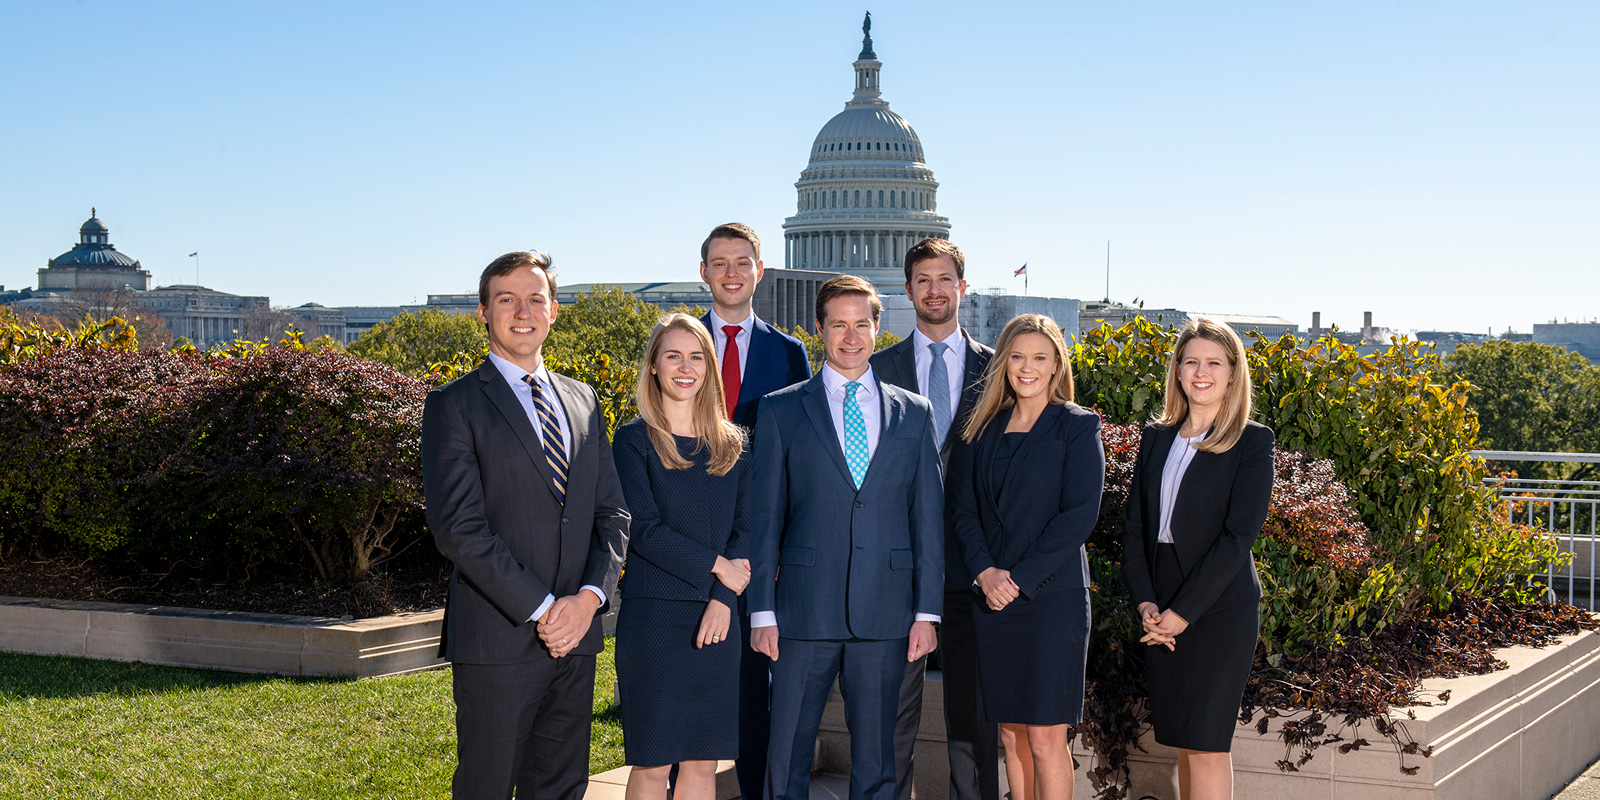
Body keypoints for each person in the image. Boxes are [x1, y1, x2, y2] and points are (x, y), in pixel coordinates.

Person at [422, 250, 629, 800]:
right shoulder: (454, 404)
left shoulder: (583, 400)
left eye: (535, 299)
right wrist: (544, 610)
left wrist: (587, 601)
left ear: (554, 311)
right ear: (484, 313)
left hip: (577, 638)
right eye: (506, 299)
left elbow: (613, 514)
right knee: (485, 786)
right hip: (498, 638)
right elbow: (458, 528)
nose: (522, 311)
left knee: (562, 788)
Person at [748, 274, 945, 800]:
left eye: (862, 324)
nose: (851, 336)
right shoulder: (781, 409)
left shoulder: (914, 412)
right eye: (839, 324)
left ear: (878, 328)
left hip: (887, 615)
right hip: (799, 615)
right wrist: (762, 611)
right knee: (785, 755)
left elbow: (927, 519)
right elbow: (763, 519)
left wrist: (927, 613)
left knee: (879, 763)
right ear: (820, 329)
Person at [1120, 317, 1274, 800]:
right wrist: (1146, 603)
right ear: (1178, 371)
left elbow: (1238, 537)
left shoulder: (1252, 441)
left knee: (1207, 744)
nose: (1201, 372)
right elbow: (1135, 527)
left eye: (1214, 363)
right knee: (1182, 741)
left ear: (1233, 372)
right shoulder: (1157, 436)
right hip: (1159, 601)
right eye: (1191, 362)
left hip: (1218, 608)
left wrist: (1182, 614)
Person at [951, 314, 1103, 800]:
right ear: (1003, 362)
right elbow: (964, 509)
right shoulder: (981, 426)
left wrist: (1016, 579)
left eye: (1039, 356)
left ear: (1057, 363)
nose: (1027, 367)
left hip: (1050, 600)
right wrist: (986, 573)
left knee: (1044, 737)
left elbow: (1078, 517)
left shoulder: (1078, 427)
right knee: (1011, 734)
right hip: (992, 600)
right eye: (1017, 356)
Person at [869, 238, 999, 800]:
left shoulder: (999, 370)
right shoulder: (877, 369)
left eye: (945, 279)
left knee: (974, 718)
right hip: (900, 566)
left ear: (962, 288)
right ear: (907, 290)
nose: (934, 290)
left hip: (975, 567)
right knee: (892, 714)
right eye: (923, 279)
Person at [612, 314, 753, 800]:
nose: (684, 367)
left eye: (696, 357)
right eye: (672, 355)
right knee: (652, 764)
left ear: (710, 368)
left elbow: (745, 530)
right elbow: (644, 531)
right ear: (653, 366)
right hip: (653, 620)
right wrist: (718, 569)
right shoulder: (632, 441)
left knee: (702, 762)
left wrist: (722, 599)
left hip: (717, 617)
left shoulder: (733, 444)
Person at [696, 221, 813, 800]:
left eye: (743, 261)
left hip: (762, 541)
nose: (732, 272)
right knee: (682, 691)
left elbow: (805, 453)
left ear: (759, 270)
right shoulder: (680, 343)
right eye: (721, 263)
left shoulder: (789, 353)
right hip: (690, 538)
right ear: (705, 273)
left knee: (754, 691)